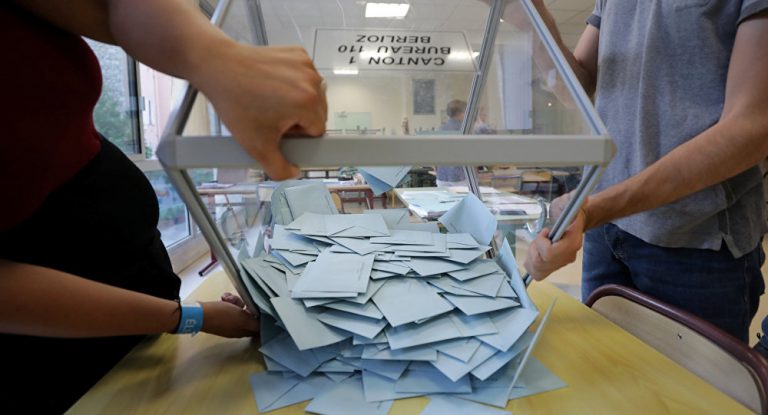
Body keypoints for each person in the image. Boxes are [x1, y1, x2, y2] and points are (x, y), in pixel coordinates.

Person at [0, 0, 326, 412]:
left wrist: (219, 57)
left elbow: (113, 8)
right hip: (61, 358)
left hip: (144, 325)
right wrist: (192, 317)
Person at [521, 0, 768, 350]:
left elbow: (752, 129)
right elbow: (574, 89)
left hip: (694, 240)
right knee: (604, 368)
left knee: (687, 385)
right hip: (604, 229)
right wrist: (527, 14)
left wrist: (596, 208)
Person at [435, 99, 470, 188]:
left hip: (442, 177)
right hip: (459, 178)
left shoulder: (440, 129)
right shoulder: (464, 129)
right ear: (461, 113)